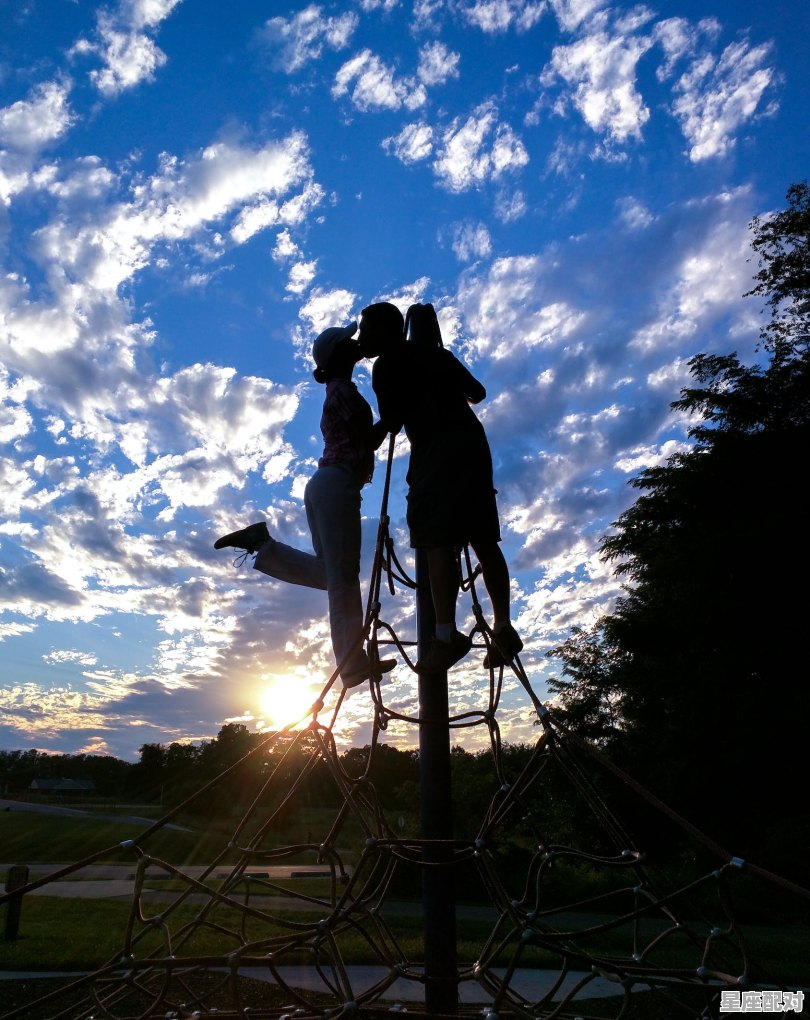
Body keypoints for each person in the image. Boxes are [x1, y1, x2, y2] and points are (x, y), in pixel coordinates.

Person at [214, 322, 395, 690]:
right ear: (338, 355)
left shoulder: (340, 389)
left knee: (332, 575)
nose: (356, 342)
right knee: (343, 580)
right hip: (337, 484)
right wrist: (395, 415)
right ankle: (352, 663)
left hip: (328, 485)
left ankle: (263, 546)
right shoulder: (342, 391)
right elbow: (368, 439)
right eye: (348, 342)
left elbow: (364, 439)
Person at [358, 301, 522, 674]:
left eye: (366, 330)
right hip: (473, 447)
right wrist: (439, 372)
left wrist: (371, 435)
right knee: (482, 537)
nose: (362, 337)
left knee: (434, 540)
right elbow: (476, 392)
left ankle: (446, 636)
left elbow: (393, 421)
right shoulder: (438, 355)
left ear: (388, 330)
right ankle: (503, 626)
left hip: (435, 451)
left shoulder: (384, 366)